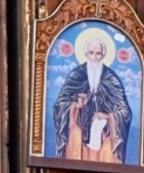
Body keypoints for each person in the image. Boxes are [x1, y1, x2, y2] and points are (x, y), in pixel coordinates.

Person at [52, 31, 132, 164]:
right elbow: (59, 105)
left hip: (104, 138)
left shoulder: (111, 78)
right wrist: (75, 106)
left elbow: (125, 112)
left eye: (98, 54)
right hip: (77, 136)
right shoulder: (76, 75)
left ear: (104, 55)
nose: (95, 58)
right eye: (91, 53)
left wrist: (107, 116)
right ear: (85, 53)